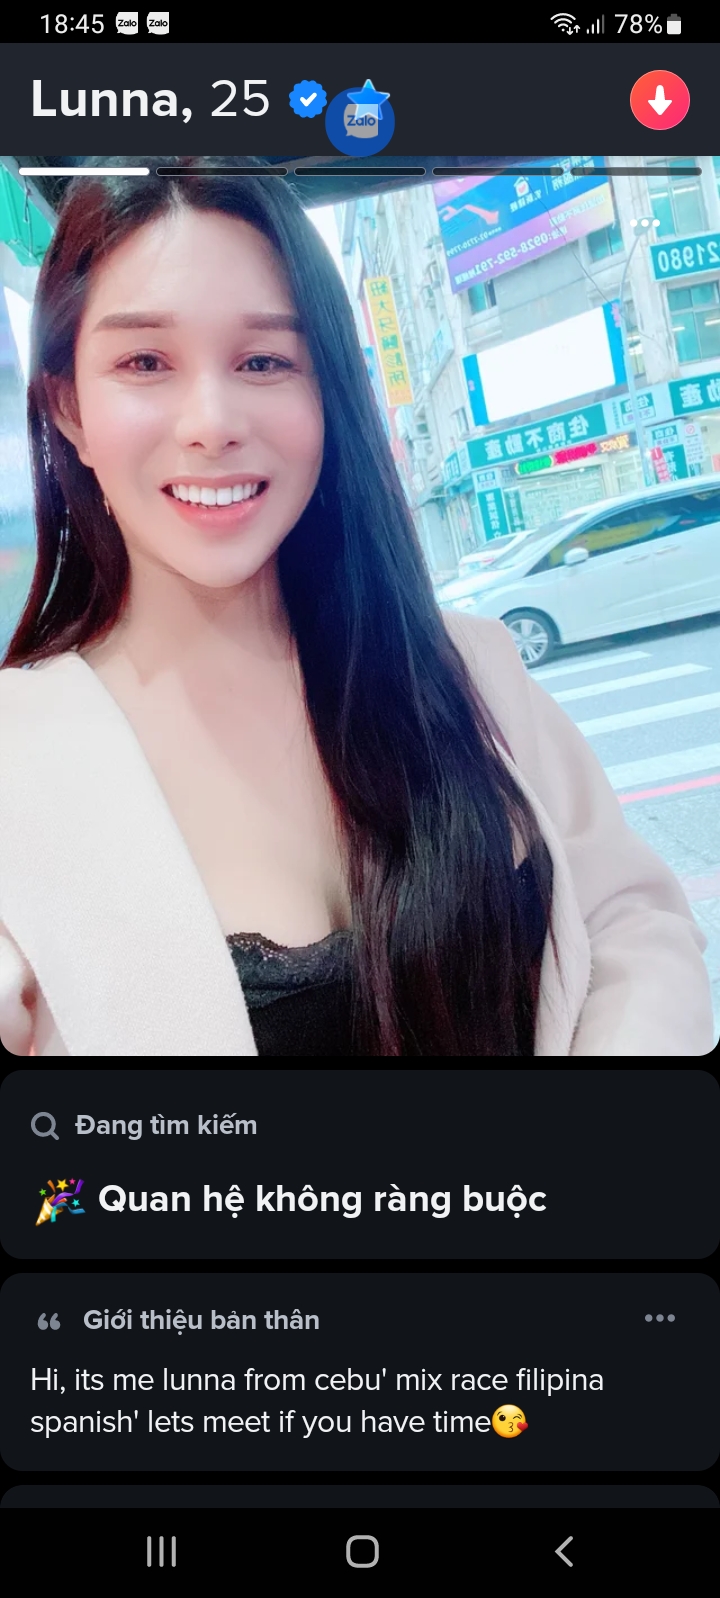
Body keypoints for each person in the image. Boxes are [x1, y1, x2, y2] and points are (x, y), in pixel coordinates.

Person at [0, 155, 713, 1057]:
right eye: (145, 362)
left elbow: (628, 926)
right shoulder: (19, 761)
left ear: (327, 390)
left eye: (265, 360)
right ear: (69, 407)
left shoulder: (469, 665)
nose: (212, 422)